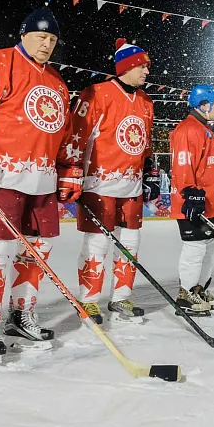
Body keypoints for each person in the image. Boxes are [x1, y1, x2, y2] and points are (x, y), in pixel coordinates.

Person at [0, 7, 77, 357]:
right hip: (1, 175)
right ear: (23, 34)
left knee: (35, 252)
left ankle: (21, 315)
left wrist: (69, 168)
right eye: (40, 36)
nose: (47, 44)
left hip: (43, 181)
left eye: (52, 39)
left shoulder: (57, 82)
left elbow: (62, 132)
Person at [61, 38, 155, 324]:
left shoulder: (146, 101)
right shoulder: (96, 93)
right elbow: (75, 134)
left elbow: (145, 143)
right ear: (126, 66)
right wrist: (71, 170)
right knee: (97, 244)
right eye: (142, 65)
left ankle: (121, 297)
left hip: (132, 186)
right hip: (99, 184)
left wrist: (150, 173)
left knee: (131, 241)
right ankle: (89, 300)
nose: (147, 71)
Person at [169, 84, 214, 315]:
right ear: (204, 105)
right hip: (192, 202)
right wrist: (191, 193)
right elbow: (182, 164)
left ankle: (199, 289)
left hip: (207, 202)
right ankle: (186, 294)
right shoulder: (188, 130)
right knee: (195, 248)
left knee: (209, 247)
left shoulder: (204, 129)